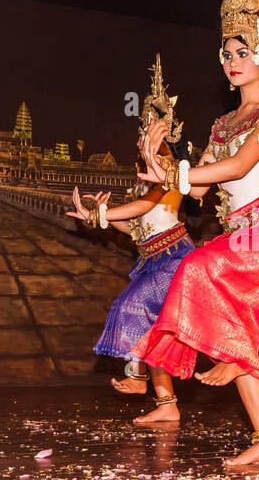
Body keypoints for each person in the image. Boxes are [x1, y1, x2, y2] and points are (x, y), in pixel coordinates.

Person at [130, 0, 259, 466]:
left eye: (241, 52)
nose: (232, 62)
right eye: (225, 54)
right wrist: (161, 158)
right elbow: (200, 192)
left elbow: (234, 169)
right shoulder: (220, 124)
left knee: (196, 267)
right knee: (222, 311)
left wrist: (175, 172)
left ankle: (233, 349)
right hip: (240, 235)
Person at [68, 57, 196, 425]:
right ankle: (166, 404)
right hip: (153, 256)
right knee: (153, 326)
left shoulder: (169, 164)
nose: (145, 135)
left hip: (174, 257)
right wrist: (102, 218)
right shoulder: (145, 170)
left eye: (153, 128)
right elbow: (139, 226)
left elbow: (147, 204)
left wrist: (107, 214)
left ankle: (139, 377)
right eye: (143, 128)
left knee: (132, 306)